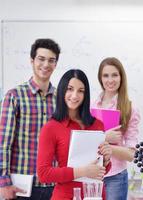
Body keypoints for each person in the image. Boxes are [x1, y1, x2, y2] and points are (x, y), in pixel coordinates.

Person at [37, 69, 112, 200]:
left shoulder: (98, 125)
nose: (75, 95)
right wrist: (83, 171)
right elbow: (44, 174)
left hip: (96, 195)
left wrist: (106, 160)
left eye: (80, 91)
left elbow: (101, 171)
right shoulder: (50, 128)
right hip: (66, 196)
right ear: (61, 91)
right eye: (70, 89)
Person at [0, 38, 61, 199]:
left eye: (51, 60)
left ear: (55, 64)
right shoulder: (14, 96)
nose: (46, 64)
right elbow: (3, 143)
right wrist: (3, 181)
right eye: (41, 59)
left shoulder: (61, 99)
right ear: (32, 60)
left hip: (53, 185)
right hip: (22, 187)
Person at [91, 57, 140, 200]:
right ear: (100, 78)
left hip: (116, 177)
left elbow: (132, 155)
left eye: (115, 75)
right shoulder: (92, 106)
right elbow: (84, 143)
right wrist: (105, 137)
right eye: (106, 75)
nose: (110, 80)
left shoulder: (130, 109)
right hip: (93, 174)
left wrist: (109, 148)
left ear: (121, 77)